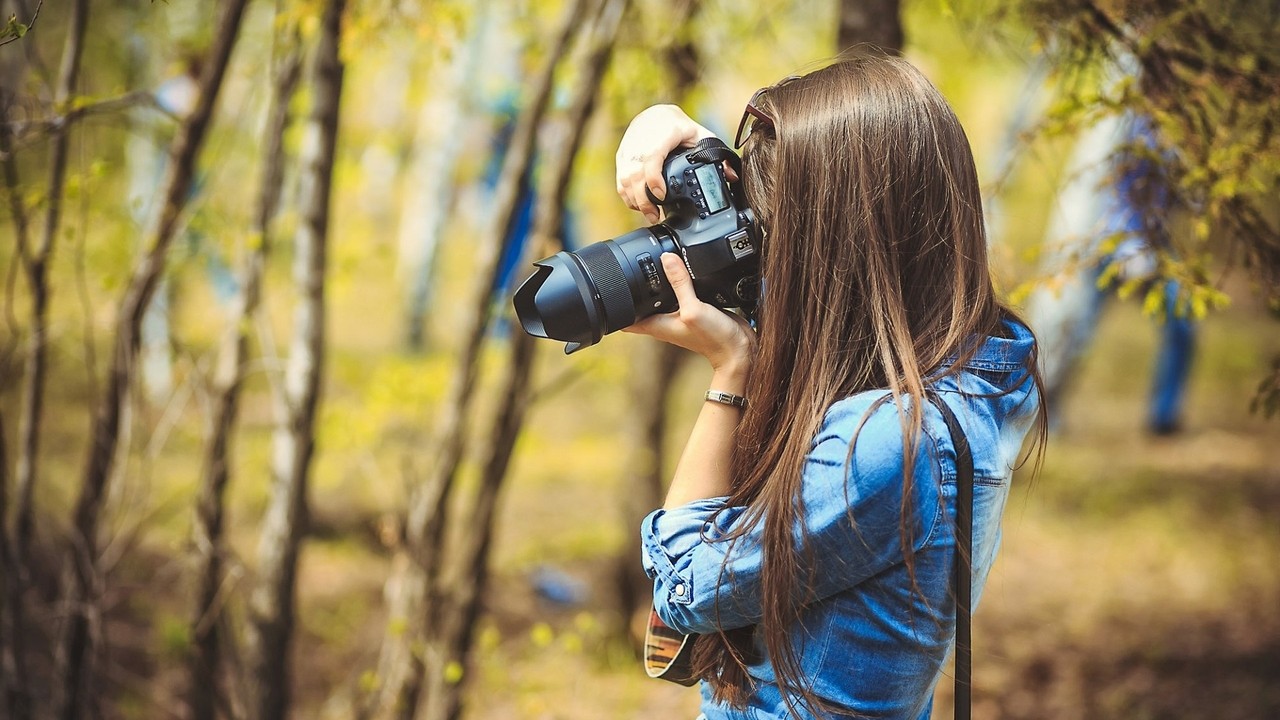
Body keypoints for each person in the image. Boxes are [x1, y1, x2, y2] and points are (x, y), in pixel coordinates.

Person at [614, 51, 1045, 719]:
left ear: (833, 246)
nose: (762, 254)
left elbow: (686, 590)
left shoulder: (888, 442)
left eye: (770, 232)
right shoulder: (966, 374)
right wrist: (675, 136)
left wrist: (731, 373)